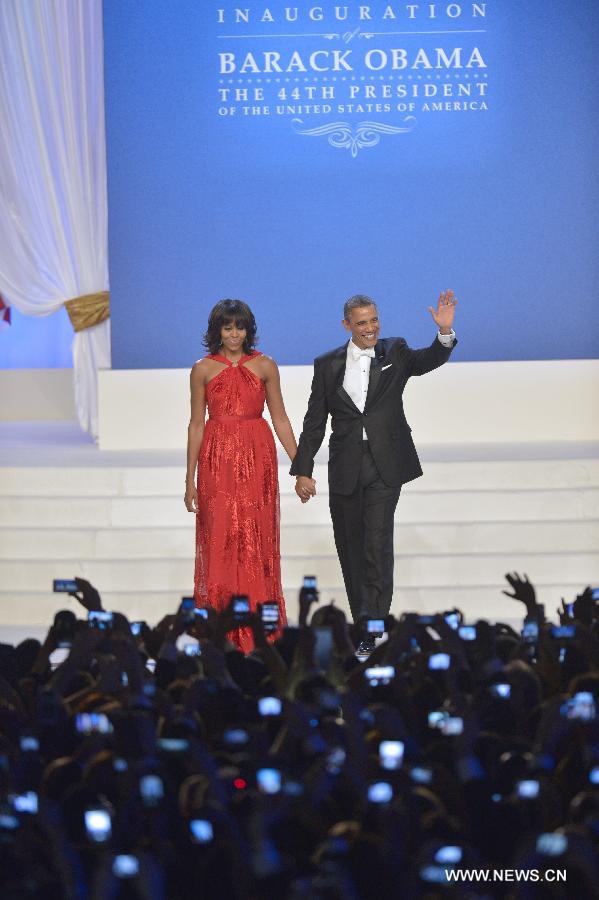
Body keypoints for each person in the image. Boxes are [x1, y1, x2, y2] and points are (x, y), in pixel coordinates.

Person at [290, 291, 458, 651]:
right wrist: (303, 470)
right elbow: (314, 421)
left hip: (385, 463)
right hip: (346, 467)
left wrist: (444, 333)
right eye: (362, 322)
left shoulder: (395, 351)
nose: (370, 328)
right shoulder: (327, 364)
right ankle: (362, 621)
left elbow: (427, 360)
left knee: (376, 543)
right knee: (351, 547)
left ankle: (373, 624)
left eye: (374, 320)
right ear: (347, 325)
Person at [185, 299, 298, 653]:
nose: (234, 334)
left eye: (240, 327)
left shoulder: (265, 366)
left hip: (256, 456)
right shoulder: (202, 369)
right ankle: (221, 627)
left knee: (255, 536)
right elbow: (196, 423)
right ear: (216, 330)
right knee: (219, 537)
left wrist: (301, 465)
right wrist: (190, 478)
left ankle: (258, 625)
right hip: (216, 459)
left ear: (249, 329)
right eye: (227, 327)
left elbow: (280, 417)